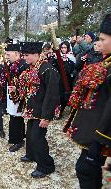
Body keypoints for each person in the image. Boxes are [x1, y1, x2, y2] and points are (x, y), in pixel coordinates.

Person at [65, 13, 111, 189]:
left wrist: (99, 141)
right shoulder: (105, 63)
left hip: (103, 137)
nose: (98, 43)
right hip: (97, 133)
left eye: (102, 39)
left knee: (88, 171)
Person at [18, 42, 60, 178]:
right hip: (32, 109)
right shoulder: (32, 68)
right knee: (30, 134)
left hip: (42, 111)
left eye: (27, 55)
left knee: (37, 137)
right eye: (24, 55)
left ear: (37, 54)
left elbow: (52, 94)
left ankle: (46, 165)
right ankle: (31, 155)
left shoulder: (47, 69)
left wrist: (46, 117)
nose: (24, 58)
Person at [1, 42, 29, 151]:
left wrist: (17, 89)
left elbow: (26, 82)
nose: (7, 57)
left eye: (9, 54)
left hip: (18, 95)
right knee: (14, 116)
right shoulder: (12, 64)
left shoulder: (23, 65)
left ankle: (18, 140)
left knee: (16, 117)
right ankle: (19, 136)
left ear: (17, 53)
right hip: (11, 94)